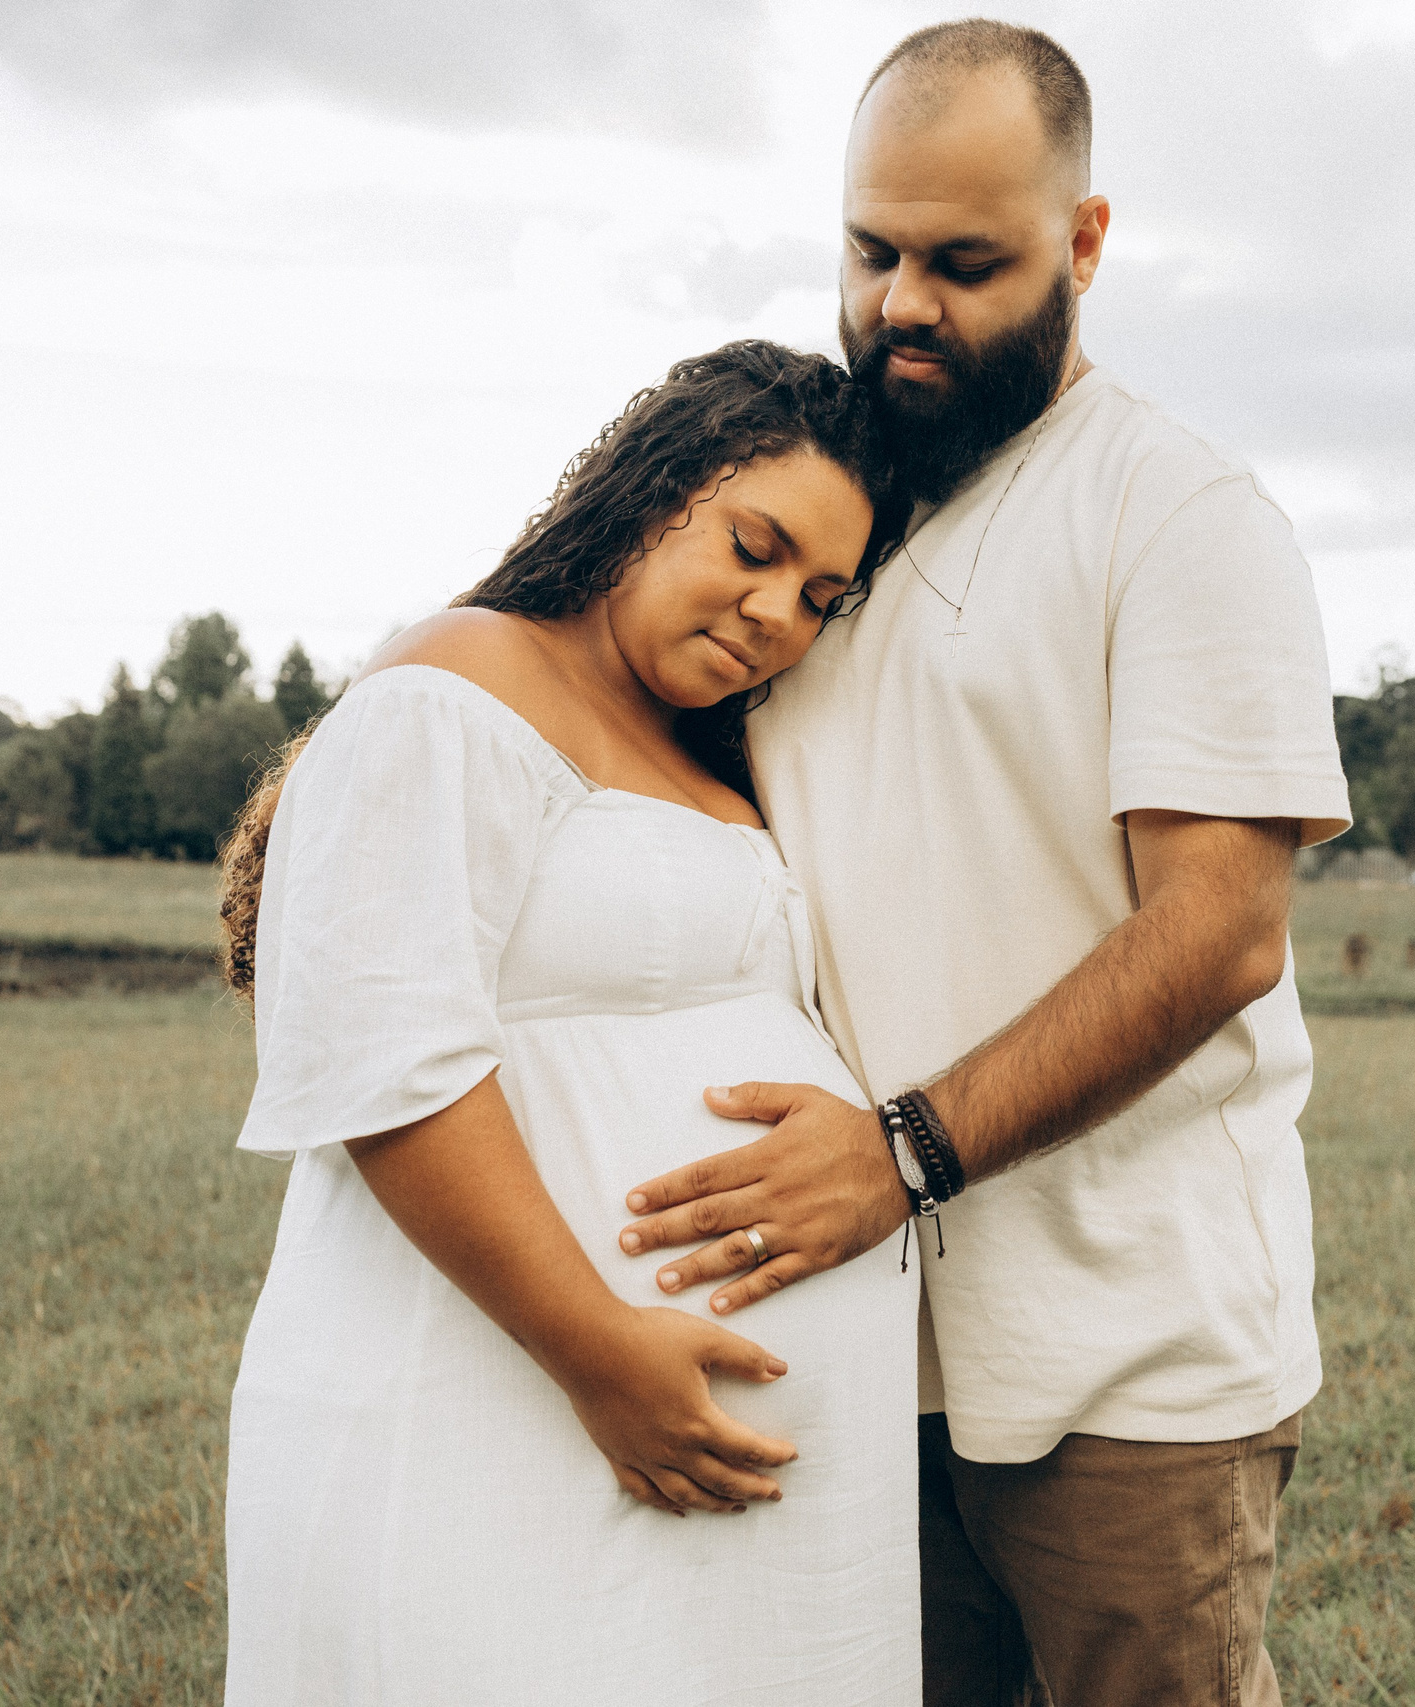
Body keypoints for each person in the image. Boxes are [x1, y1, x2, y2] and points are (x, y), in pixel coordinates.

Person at [615, 24, 1353, 1707]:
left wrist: (904, 1155)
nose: (902, 308)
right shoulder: (824, 527)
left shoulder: (1179, 516)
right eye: (871, 253)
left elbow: (1222, 932)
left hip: (1128, 1361)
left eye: (965, 263)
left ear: (1084, 245)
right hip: (852, 1344)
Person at [216, 341, 921, 1705]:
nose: (779, 611)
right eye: (754, 546)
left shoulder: (708, 751)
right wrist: (600, 1354)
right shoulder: (453, 685)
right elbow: (387, 1063)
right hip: (512, 1406)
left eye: (822, 596)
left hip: (704, 1475)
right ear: (651, 491)